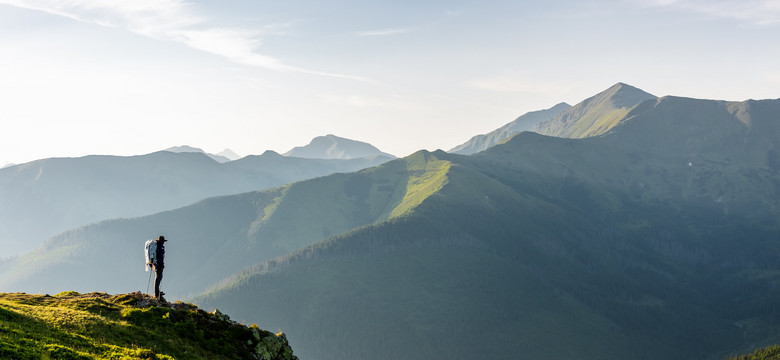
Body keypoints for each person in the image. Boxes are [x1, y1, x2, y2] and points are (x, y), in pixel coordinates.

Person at [152, 235, 167, 300]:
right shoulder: (160, 247)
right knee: (159, 277)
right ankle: (157, 293)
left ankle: (157, 292)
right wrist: (162, 265)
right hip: (158, 265)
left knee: (158, 277)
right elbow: (160, 257)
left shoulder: (156, 246)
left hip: (155, 264)